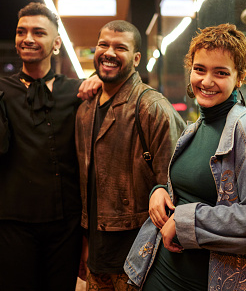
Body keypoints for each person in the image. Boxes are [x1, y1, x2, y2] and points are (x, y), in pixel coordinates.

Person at [0, 2, 100, 291]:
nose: (27, 38)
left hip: (66, 224)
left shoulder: (75, 90)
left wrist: (103, 79)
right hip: (16, 220)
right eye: (21, 31)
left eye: (38, 32)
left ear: (56, 43)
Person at [134, 23, 246, 290]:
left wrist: (184, 221)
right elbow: (188, 188)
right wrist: (158, 191)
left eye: (220, 72)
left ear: (240, 76)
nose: (207, 81)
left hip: (206, 282)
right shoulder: (194, 128)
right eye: (199, 69)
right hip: (160, 272)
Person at [75, 20, 186, 290]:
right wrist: (85, 241)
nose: (109, 52)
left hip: (141, 255)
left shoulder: (151, 107)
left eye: (120, 47)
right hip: (98, 258)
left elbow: (177, 183)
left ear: (136, 58)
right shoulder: (85, 110)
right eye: (103, 44)